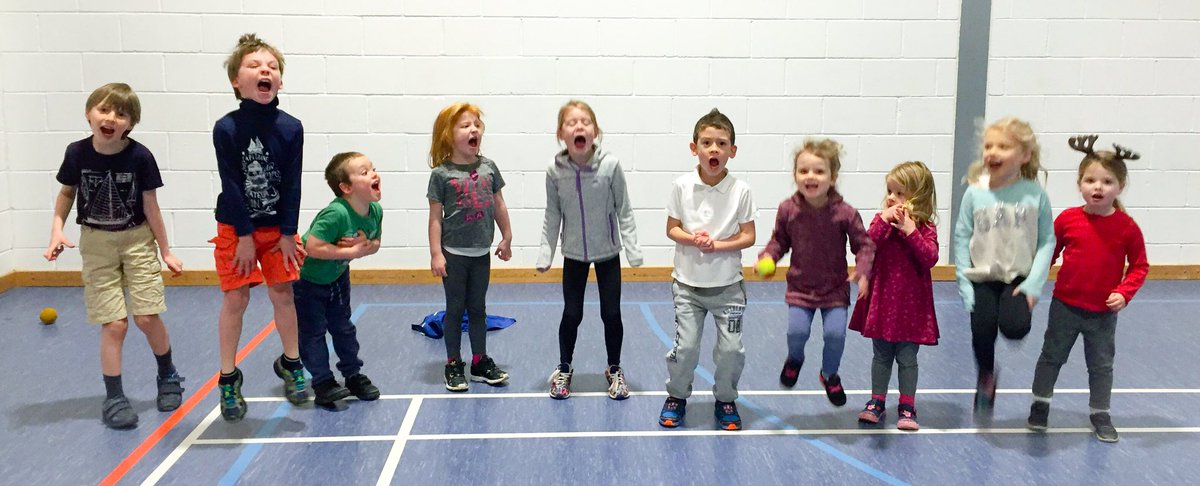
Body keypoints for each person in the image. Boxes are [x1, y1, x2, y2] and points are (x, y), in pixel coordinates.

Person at [44, 82, 185, 429]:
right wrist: (57, 229)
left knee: (147, 317)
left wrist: (165, 250)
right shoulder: (76, 153)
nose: (111, 118)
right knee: (114, 324)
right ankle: (115, 396)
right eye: (104, 110)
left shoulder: (140, 157)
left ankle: (167, 373)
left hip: (137, 241)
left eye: (121, 114)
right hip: (96, 244)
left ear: (130, 124)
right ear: (89, 114)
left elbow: (151, 206)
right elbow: (66, 194)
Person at [1026, 136, 1148, 443]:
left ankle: (1100, 412)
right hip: (1065, 305)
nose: (1098, 187)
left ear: (1120, 186)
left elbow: (1139, 266)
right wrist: (1032, 282)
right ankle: (1040, 404)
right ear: (1080, 183)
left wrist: (1125, 291)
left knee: (1101, 365)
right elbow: (1048, 253)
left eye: (1107, 181)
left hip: (1103, 313)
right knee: (1051, 356)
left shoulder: (1127, 227)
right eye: (1090, 180)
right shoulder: (1068, 219)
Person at [211, 33, 307, 421]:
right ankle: (228, 378)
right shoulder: (227, 128)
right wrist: (245, 236)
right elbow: (230, 183)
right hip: (238, 230)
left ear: (280, 81)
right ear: (237, 80)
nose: (264, 70)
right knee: (237, 299)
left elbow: (293, 182)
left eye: (272, 67)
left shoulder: (292, 127)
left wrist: (287, 232)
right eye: (254, 65)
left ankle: (292, 363)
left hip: (277, 230)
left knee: (283, 293)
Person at [536, 100, 642, 400]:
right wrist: (546, 252)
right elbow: (552, 214)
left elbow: (624, 209)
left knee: (611, 313)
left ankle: (615, 369)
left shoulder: (611, 166)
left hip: (608, 252)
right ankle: (565, 368)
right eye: (572, 122)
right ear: (561, 133)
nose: (579, 126)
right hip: (573, 255)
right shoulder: (554, 171)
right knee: (572, 313)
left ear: (596, 132)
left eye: (585, 122)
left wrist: (632, 248)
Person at [659, 109, 756, 431]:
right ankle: (677, 396)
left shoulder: (740, 190)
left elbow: (748, 236)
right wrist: (692, 239)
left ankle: (726, 399)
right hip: (687, 286)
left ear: (732, 151)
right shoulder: (681, 186)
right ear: (694, 148)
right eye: (706, 142)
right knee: (685, 348)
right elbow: (672, 229)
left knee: (731, 350)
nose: (714, 149)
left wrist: (717, 245)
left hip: (729, 288)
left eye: (721, 143)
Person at [758, 138, 874, 408]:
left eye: (819, 171)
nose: (811, 176)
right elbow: (779, 241)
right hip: (800, 287)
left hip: (834, 289)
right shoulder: (788, 209)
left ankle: (829, 374)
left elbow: (864, 244)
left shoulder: (845, 213)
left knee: (835, 336)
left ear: (832, 177)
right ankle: (795, 359)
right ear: (795, 175)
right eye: (804, 170)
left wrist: (863, 270)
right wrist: (768, 257)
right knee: (796, 333)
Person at [953, 117, 1055, 411]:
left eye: (1003, 146)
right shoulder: (975, 192)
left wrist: (1034, 285)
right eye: (988, 146)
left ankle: (1015, 314)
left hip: (1018, 279)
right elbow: (961, 236)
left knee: (1015, 329)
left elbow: (1047, 241)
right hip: (982, 277)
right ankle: (986, 375)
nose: (993, 152)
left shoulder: (1035, 195)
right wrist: (963, 282)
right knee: (982, 330)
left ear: (1024, 155)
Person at [427, 103, 513, 392]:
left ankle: (479, 360)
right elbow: (435, 219)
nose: (473, 129)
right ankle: (453, 362)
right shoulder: (441, 174)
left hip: (481, 253)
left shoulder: (489, 167)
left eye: (476, 124)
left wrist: (507, 236)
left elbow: (498, 204)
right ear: (448, 136)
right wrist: (436, 253)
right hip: (454, 255)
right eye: (465, 126)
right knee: (455, 310)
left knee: (478, 309)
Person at [848, 161, 939, 431]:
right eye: (890, 191)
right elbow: (866, 246)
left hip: (912, 306)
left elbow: (930, 258)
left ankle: (907, 405)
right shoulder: (881, 221)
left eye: (899, 193)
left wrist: (910, 232)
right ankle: (876, 401)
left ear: (917, 196)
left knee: (908, 358)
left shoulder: (925, 227)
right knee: (881, 355)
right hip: (884, 301)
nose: (891, 198)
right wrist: (884, 222)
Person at [295, 152, 384, 408]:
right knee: (313, 332)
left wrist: (366, 245)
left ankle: (353, 374)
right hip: (308, 280)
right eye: (364, 172)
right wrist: (350, 252)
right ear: (346, 188)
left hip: (337, 276)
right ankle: (323, 382)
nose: (374, 174)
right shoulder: (335, 214)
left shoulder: (375, 210)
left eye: (373, 168)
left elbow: (376, 243)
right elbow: (311, 246)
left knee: (343, 327)